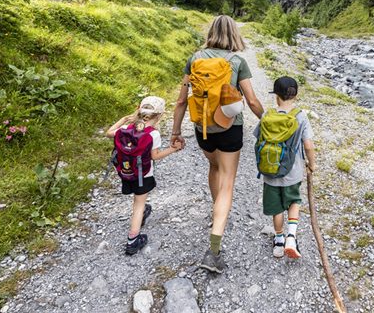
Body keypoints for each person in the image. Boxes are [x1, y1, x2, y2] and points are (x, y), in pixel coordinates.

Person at [170, 15, 264, 273]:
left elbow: (180, 101)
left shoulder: (195, 59)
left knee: (214, 168)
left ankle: (217, 215)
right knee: (228, 182)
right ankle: (213, 249)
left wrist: (176, 131)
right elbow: (253, 101)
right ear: (234, 34)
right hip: (229, 128)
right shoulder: (238, 62)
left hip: (202, 128)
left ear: (211, 32)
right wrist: (268, 121)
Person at [105, 96, 181, 255]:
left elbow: (108, 133)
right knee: (138, 205)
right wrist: (174, 149)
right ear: (160, 115)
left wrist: (122, 120)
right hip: (143, 175)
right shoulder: (153, 134)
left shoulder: (125, 128)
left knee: (139, 202)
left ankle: (144, 211)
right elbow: (155, 156)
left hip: (125, 171)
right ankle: (133, 240)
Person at [260, 76, 316, 259]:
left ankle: (278, 241)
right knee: (293, 201)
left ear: (276, 96)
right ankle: (291, 237)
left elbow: (259, 139)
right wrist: (312, 164)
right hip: (293, 172)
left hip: (270, 172)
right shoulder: (300, 116)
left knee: (276, 208)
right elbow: (308, 146)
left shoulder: (266, 115)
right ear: (295, 96)